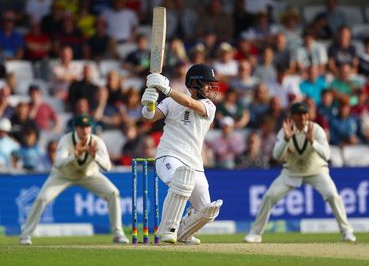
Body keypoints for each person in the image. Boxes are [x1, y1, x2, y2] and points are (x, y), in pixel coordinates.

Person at [244, 102, 356, 243]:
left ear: (308, 115)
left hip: (316, 171)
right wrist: (286, 140)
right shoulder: (285, 130)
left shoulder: (317, 130)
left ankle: (347, 232)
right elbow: (277, 155)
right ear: (293, 116)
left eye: (304, 114)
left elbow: (327, 155)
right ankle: (255, 233)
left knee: (333, 195)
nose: (302, 117)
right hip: (292, 172)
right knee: (269, 196)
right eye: (299, 114)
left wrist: (313, 142)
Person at [141, 64, 223, 245]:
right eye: (207, 84)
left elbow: (189, 103)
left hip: (194, 163)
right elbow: (150, 117)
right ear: (194, 83)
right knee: (181, 182)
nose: (210, 88)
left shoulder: (209, 105)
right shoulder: (170, 101)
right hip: (168, 156)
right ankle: (167, 229)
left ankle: (183, 233)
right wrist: (148, 104)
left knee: (207, 210)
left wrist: (167, 89)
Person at [19, 114, 129, 245]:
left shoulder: (96, 142)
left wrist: (95, 157)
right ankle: (26, 235)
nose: (85, 131)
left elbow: (107, 167)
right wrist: (74, 156)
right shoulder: (66, 140)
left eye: (88, 127)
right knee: (42, 198)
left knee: (113, 193)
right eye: (82, 127)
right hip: (63, 175)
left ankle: (118, 234)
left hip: (89, 175)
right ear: (76, 128)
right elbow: (58, 162)